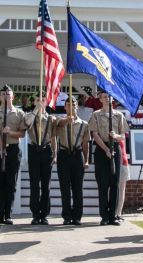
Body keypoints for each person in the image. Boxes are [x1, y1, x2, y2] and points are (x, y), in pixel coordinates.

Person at [90, 88, 129, 226]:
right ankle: (104, 216)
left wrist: (116, 136)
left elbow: (123, 135)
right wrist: (106, 149)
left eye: (109, 97)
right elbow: (94, 134)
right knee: (103, 184)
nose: (107, 99)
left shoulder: (118, 115)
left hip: (115, 149)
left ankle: (113, 216)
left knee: (114, 184)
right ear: (100, 99)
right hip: (102, 149)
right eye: (104, 97)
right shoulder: (96, 115)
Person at [0, 86, 25, 225]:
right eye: (3, 94)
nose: (6, 96)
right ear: (0, 97)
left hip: (13, 149)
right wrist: (1, 148)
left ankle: (8, 214)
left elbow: (22, 133)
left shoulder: (19, 113)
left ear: (13, 97)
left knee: (11, 183)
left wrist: (10, 133)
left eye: (8, 94)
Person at [53, 96, 89, 225]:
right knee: (65, 188)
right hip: (63, 154)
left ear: (77, 106)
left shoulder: (84, 124)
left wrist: (86, 160)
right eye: (68, 104)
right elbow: (56, 129)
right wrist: (67, 120)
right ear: (65, 107)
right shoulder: (59, 121)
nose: (71, 106)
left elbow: (85, 144)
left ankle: (77, 216)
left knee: (77, 188)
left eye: (73, 104)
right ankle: (67, 216)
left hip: (77, 155)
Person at [25, 96, 54, 225]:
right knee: (34, 184)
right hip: (34, 150)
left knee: (46, 186)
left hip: (46, 150)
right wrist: (36, 109)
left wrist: (55, 153)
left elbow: (53, 137)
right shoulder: (30, 115)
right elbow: (26, 124)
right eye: (37, 100)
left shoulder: (50, 118)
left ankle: (44, 214)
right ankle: (35, 214)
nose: (40, 102)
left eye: (42, 100)